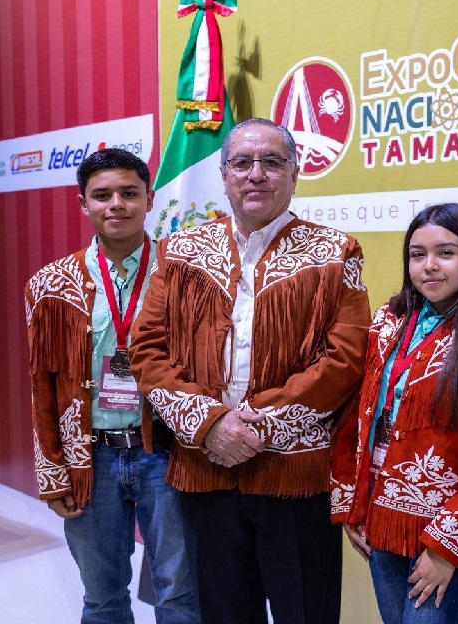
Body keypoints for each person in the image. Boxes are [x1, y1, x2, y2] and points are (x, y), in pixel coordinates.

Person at [128, 118, 371, 624]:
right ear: (224, 175)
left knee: (305, 613)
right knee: (223, 614)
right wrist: (210, 423)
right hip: (206, 470)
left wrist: (259, 427)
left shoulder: (336, 253)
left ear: (294, 174)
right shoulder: (180, 251)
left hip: (295, 475)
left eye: (271, 162)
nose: (255, 174)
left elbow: (344, 359)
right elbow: (147, 348)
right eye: (241, 163)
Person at [24, 148, 199, 624]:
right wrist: (52, 470)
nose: (116, 204)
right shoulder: (50, 285)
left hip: (168, 453)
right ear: (83, 204)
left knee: (180, 594)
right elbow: (43, 384)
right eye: (102, 195)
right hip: (91, 458)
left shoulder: (185, 276)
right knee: (102, 598)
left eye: (129, 193)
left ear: (149, 199)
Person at [330, 203, 458, 624]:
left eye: (446, 253)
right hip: (381, 521)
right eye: (417, 255)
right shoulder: (388, 321)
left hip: (450, 533)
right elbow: (358, 417)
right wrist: (352, 505)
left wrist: (445, 551)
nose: (429, 266)